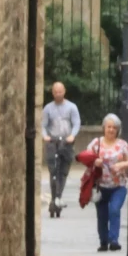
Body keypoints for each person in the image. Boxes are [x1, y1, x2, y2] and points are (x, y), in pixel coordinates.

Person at [79, 111, 128, 252]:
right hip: (100, 187)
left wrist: (121, 165)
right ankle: (103, 241)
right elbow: (85, 157)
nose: (111, 130)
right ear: (104, 128)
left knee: (114, 210)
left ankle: (114, 240)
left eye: (114, 128)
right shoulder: (96, 143)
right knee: (102, 215)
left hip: (118, 186)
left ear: (118, 130)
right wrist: (95, 161)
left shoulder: (123, 145)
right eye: (109, 127)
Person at [40, 79, 81, 218]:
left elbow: (76, 123)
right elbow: (43, 125)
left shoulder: (71, 107)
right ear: (52, 93)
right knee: (53, 171)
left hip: (66, 142)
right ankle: (54, 198)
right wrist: (45, 136)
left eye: (60, 91)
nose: (58, 94)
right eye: (55, 92)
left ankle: (58, 196)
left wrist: (72, 136)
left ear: (64, 92)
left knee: (63, 171)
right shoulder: (48, 108)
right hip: (53, 142)